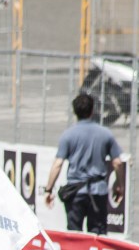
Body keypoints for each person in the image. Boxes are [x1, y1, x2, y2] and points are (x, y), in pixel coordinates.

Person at [43, 93, 125, 235]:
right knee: (97, 235)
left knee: (74, 235)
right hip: (98, 191)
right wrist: (119, 185)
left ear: (75, 112)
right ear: (92, 110)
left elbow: (58, 164)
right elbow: (117, 163)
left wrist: (49, 190)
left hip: (75, 192)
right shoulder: (105, 134)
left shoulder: (68, 135)